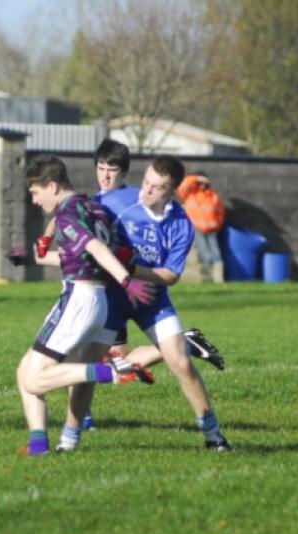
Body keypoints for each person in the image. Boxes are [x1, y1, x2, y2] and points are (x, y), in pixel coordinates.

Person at [16, 154, 158, 456]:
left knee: (34, 378)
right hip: (101, 303)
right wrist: (35, 255)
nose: (35, 202)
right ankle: (41, 445)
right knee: (24, 370)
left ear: (52, 186)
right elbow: (96, 252)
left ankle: (111, 371)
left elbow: (94, 247)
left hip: (80, 299)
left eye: (35, 193)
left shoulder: (67, 214)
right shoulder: (93, 207)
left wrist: (126, 280)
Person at [96, 156, 233, 452]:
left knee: (181, 363)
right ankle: (73, 433)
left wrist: (131, 269)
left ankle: (214, 437)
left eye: (157, 188)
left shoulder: (182, 223)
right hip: (110, 298)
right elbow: (76, 217)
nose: (146, 191)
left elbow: (170, 276)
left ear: (171, 192)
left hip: (152, 300)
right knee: (97, 365)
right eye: (146, 182)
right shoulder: (117, 200)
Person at [176, 171, 226, 283]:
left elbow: (220, 213)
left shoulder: (213, 196)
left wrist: (217, 225)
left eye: (204, 182)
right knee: (205, 255)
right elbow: (182, 186)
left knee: (216, 254)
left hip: (211, 230)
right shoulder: (190, 194)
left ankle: (218, 279)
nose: (202, 184)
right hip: (197, 229)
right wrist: (196, 178)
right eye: (200, 182)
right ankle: (206, 279)